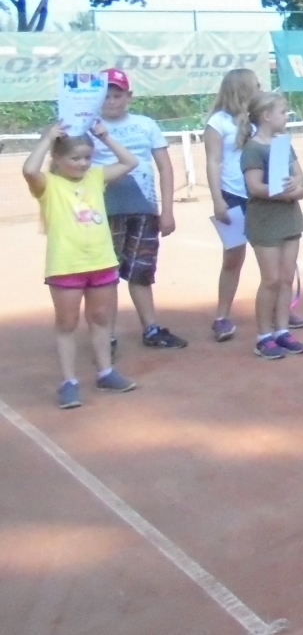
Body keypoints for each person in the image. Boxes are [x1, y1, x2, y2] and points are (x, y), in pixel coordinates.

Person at [23, 121, 140, 409]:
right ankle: (69, 382)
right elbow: (29, 170)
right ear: (58, 159)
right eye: (75, 158)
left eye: (87, 157)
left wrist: (106, 136)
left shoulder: (96, 177)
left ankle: (105, 372)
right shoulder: (48, 185)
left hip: (101, 262)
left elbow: (130, 161)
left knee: (100, 319)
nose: (82, 163)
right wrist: (48, 137)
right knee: (67, 324)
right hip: (66, 265)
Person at [203, 68, 303, 341]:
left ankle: (281, 312)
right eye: (256, 85)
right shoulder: (218, 122)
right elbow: (213, 161)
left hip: (269, 201)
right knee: (233, 258)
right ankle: (222, 316)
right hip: (234, 195)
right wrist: (217, 200)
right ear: (241, 88)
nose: (261, 89)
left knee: (282, 260)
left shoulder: (261, 122)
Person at [88, 69, 186, 349]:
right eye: (105, 96)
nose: (111, 101)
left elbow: (165, 167)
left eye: (117, 95)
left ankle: (151, 328)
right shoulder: (87, 127)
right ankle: (107, 333)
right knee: (107, 274)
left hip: (143, 208)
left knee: (141, 270)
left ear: (128, 96)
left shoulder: (146, 125)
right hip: (102, 210)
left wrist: (167, 210)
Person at [239, 91, 303, 360]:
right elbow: (255, 187)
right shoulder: (253, 148)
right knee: (270, 280)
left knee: (286, 278)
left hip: (289, 219)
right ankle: (263, 336)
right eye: (282, 112)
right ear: (267, 116)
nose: (286, 116)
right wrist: (287, 191)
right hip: (265, 222)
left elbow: (300, 178)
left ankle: (281, 331)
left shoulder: (283, 144)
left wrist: (296, 188)